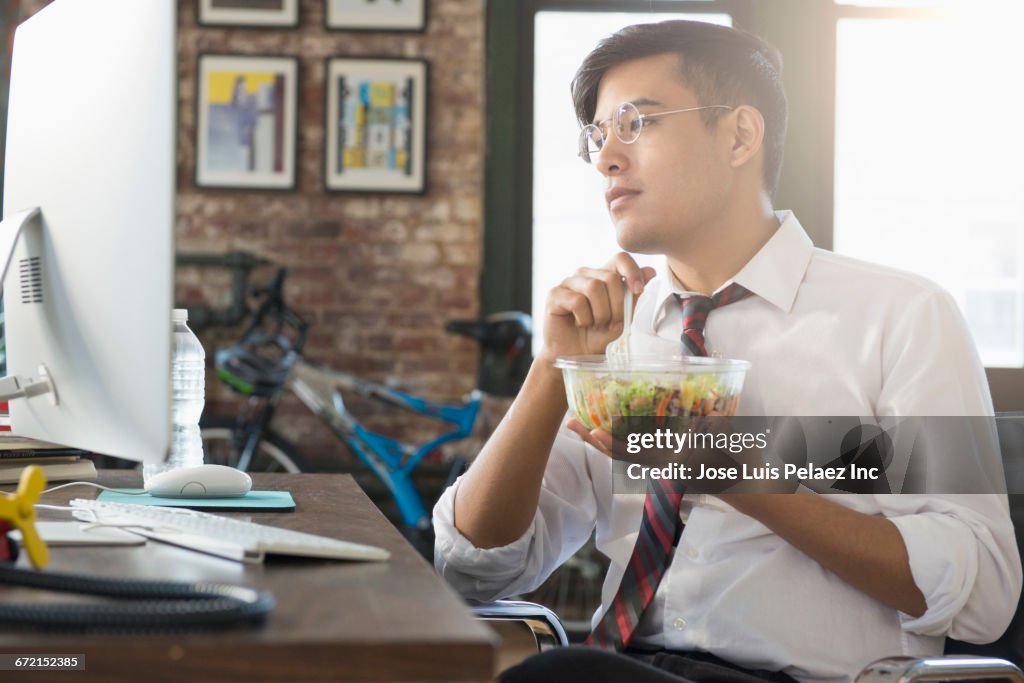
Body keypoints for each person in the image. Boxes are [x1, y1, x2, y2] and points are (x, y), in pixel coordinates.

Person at [433, 20, 1022, 683]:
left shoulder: (899, 317)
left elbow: (985, 594)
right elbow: (472, 567)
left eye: (637, 123)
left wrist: (734, 471)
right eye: (598, 136)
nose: (606, 158)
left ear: (741, 134)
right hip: (624, 666)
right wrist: (553, 367)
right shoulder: (618, 339)